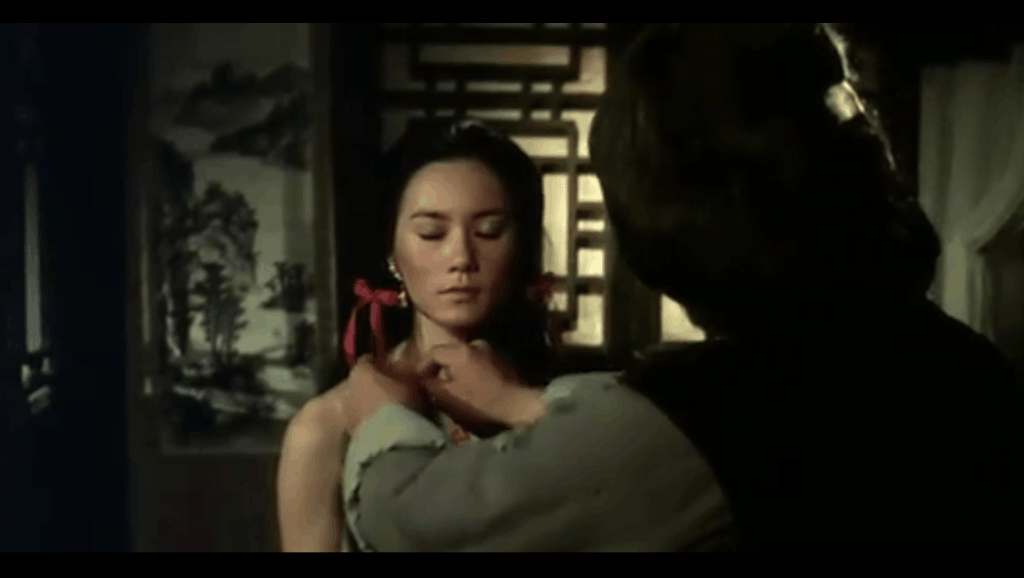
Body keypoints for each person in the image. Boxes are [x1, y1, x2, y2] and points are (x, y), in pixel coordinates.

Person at [586, 23, 1024, 551]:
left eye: (849, 100)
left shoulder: (703, 420)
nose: (862, 121)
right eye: (837, 101)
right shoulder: (964, 365)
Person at [275, 118, 735, 552]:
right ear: (392, 253)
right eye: (432, 233)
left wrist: (516, 404)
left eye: (490, 231)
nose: (461, 257)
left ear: (522, 248)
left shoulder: (571, 404)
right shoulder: (328, 424)